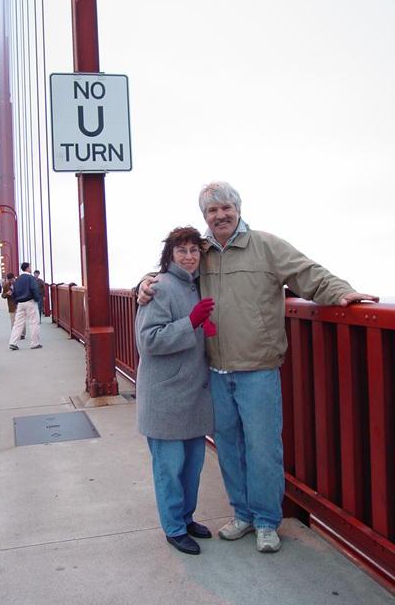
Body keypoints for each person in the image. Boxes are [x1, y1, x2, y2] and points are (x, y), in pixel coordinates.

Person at [138, 181, 379, 553]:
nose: (220, 215)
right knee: (230, 448)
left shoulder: (265, 245)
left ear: (238, 208)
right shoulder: (202, 253)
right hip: (215, 370)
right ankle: (244, 515)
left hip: (258, 367)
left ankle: (267, 520)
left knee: (264, 448)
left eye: (225, 208)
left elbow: (307, 273)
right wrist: (144, 282)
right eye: (211, 211)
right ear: (205, 217)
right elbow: (171, 274)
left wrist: (341, 292)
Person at [136, 226, 215, 556]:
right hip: (165, 395)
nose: (189, 256)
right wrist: (191, 323)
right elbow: (148, 340)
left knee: (193, 464)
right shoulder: (161, 287)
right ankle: (174, 527)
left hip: (193, 394)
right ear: (169, 256)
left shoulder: (198, 285)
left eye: (194, 250)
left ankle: (186, 516)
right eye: (181, 250)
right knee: (169, 466)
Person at [9, 262, 42, 350]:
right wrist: (37, 299)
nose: (31, 268)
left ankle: (13, 342)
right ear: (27, 268)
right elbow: (34, 289)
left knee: (18, 324)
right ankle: (35, 343)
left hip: (20, 303)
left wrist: (16, 301)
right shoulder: (31, 278)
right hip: (30, 302)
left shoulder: (18, 279)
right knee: (34, 322)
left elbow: (13, 292)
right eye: (30, 267)